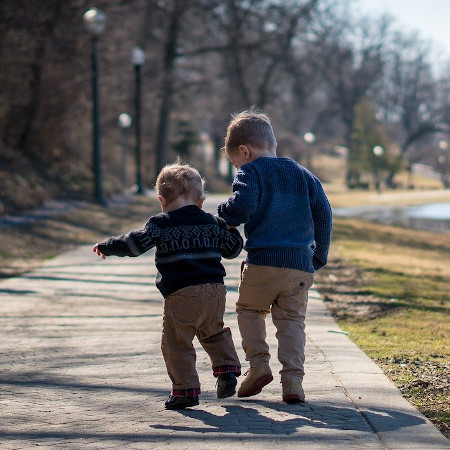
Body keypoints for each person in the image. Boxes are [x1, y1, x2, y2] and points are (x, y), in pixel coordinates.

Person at [93, 162, 243, 410]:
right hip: (215, 292)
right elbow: (232, 249)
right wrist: (232, 229)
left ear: (161, 200)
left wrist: (108, 246)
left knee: (176, 343)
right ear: (200, 201)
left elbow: (134, 245)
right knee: (214, 332)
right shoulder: (212, 222)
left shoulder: (160, 224)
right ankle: (226, 371)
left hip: (182, 294)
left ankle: (185, 390)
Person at [217, 108, 332, 403]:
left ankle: (258, 366)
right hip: (299, 266)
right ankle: (293, 382)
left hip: (263, 262)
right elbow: (324, 212)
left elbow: (241, 208)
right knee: (292, 322)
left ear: (244, 151)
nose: (236, 167)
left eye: (234, 162)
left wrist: (223, 213)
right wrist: (319, 255)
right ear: (272, 144)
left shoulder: (251, 171)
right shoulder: (302, 173)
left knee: (249, 311)